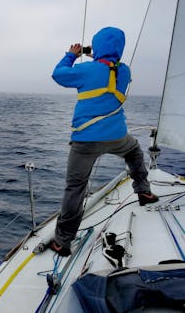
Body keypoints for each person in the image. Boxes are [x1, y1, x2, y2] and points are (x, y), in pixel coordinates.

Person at [49, 27, 158, 256]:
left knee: (75, 188)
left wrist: (72, 54)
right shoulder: (125, 71)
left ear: (97, 47)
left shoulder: (86, 69)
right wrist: (99, 56)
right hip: (117, 137)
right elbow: (108, 66)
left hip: (85, 141)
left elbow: (58, 74)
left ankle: (62, 241)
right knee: (135, 152)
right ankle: (144, 191)